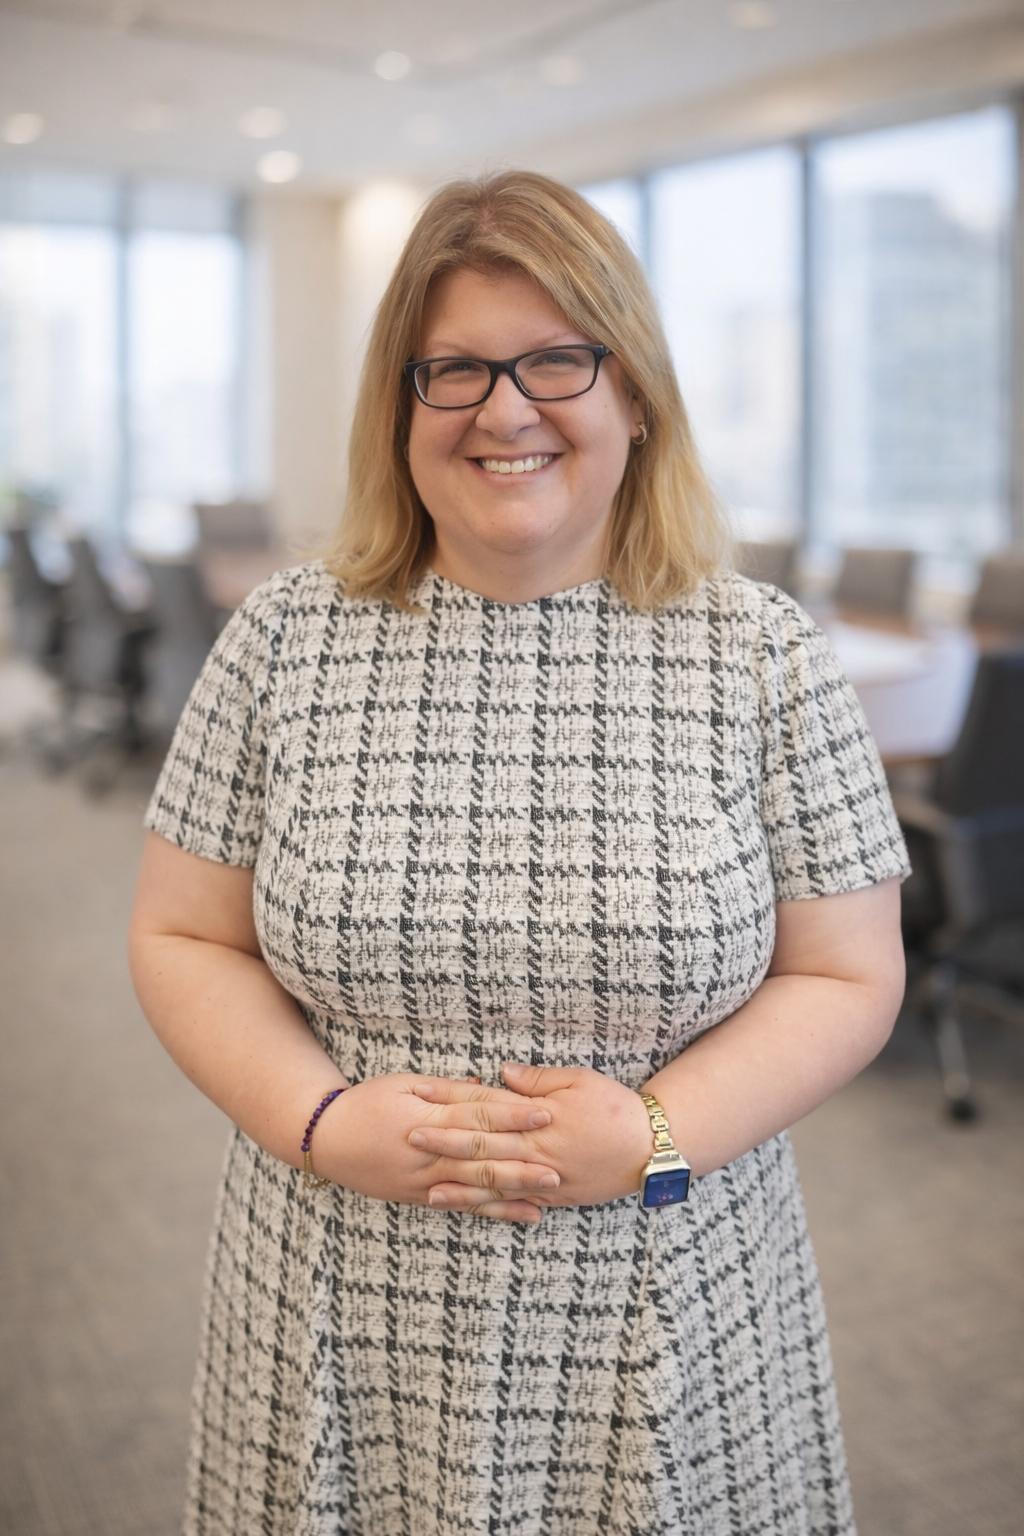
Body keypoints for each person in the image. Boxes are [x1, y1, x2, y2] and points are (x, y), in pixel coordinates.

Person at [129, 169, 909, 1536]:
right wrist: (321, 1122)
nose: (504, 408)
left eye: (556, 359)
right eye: (455, 370)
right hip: (338, 1274)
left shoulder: (764, 653)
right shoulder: (283, 640)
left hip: (667, 1280)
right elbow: (184, 934)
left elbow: (848, 975)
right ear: (401, 405)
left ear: (637, 397)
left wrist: (658, 1136)